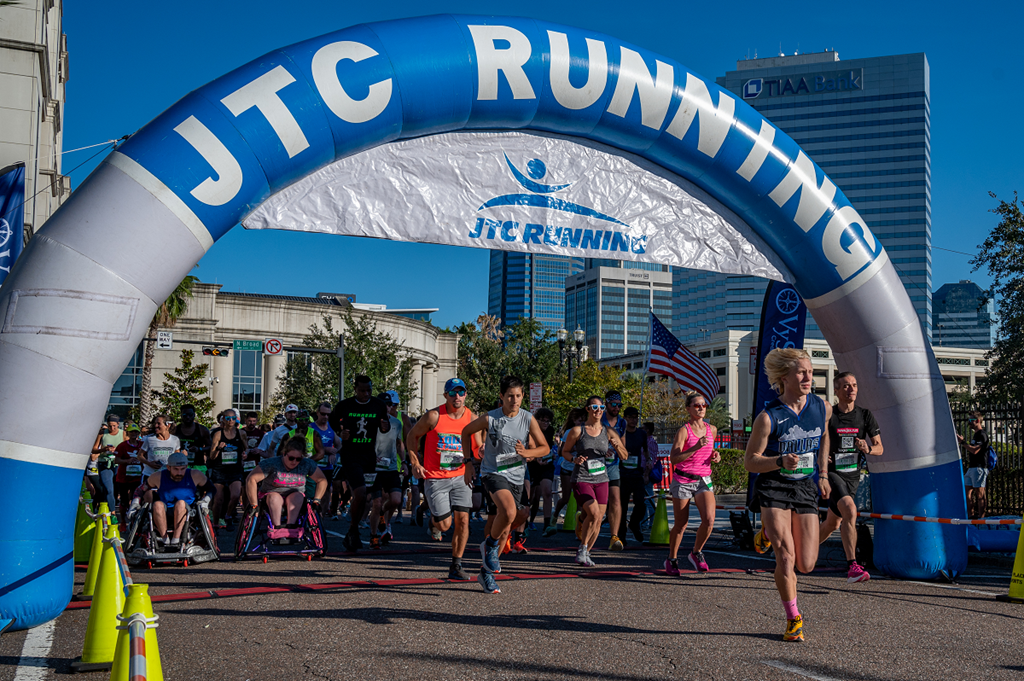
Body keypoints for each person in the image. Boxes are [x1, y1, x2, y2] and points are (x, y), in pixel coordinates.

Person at [744, 348, 831, 643]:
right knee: (785, 556)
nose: (808, 377)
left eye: (810, 372)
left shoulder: (822, 407)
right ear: (784, 378)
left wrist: (822, 473)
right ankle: (794, 618)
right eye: (801, 372)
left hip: (804, 486)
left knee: (806, 564)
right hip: (774, 485)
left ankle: (766, 533)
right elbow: (750, 462)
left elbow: (825, 435)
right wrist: (779, 461)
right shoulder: (768, 417)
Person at [461, 375, 551, 593]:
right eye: (510, 396)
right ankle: (490, 546)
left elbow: (545, 448)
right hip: (493, 473)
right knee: (508, 512)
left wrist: (527, 453)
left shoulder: (528, 418)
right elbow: (465, 432)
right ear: (501, 396)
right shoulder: (490, 418)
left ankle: (487, 573)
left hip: (517, 476)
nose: (514, 400)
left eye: (518, 396)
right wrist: (468, 463)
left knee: (516, 518)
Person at [406, 378, 482, 579]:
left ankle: (456, 565)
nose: (457, 396)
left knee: (463, 520)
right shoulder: (434, 416)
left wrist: (481, 453)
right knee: (445, 525)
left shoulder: (473, 419)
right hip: (435, 477)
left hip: (461, 475)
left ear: (465, 394)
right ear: (445, 395)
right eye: (453, 392)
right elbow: (412, 436)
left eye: (461, 392)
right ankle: (434, 522)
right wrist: (415, 462)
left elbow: (477, 450)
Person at [816, 372, 883, 583]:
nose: (851, 389)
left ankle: (800, 551)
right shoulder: (830, 415)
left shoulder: (864, 415)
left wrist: (867, 448)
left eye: (854, 385)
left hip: (852, 476)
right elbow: (816, 440)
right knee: (850, 510)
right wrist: (821, 454)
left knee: (832, 524)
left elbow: (880, 448)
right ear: (836, 390)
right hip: (832, 473)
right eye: (845, 386)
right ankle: (853, 566)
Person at [561, 395, 629, 568]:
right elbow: (565, 452)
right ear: (588, 409)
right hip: (582, 477)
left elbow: (625, 456)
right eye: (594, 407)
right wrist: (574, 459)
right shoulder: (578, 431)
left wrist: (616, 446)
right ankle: (583, 548)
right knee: (594, 513)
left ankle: (585, 551)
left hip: (602, 479)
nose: (598, 411)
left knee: (598, 519)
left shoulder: (608, 431)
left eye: (601, 408)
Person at [328, 375, 392, 552]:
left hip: (369, 456)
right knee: (361, 492)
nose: (366, 394)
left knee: (376, 498)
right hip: (351, 456)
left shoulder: (378, 405)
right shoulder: (345, 405)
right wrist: (340, 433)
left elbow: (384, 425)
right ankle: (353, 530)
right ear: (355, 389)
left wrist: (385, 427)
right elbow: (332, 421)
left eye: (369, 390)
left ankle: (361, 530)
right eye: (362, 390)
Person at [664, 392, 721, 575]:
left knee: (709, 520)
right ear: (688, 409)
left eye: (704, 405)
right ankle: (672, 559)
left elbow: (710, 451)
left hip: (703, 479)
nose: (701, 408)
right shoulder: (684, 431)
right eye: (696, 405)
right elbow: (674, 458)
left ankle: (696, 553)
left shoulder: (712, 429)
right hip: (683, 480)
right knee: (681, 524)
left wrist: (716, 455)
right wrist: (695, 447)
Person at [246, 436, 328, 535]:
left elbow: (322, 480)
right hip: (271, 494)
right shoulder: (272, 463)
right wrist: (254, 504)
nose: (294, 462)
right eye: (291, 458)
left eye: (298, 459)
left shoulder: (306, 464)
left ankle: (290, 527)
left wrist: (317, 500)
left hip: (295, 495)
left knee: (298, 495)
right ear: (284, 454)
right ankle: (277, 527)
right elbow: (251, 479)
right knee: (274, 497)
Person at [134, 451, 215, 550]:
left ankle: (176, 540)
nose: (179, 473)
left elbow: (212, 489)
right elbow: (140, 490)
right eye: (176, 469)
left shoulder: (195, 475)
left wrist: (205, 501)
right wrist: (135, 504)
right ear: (168, 467)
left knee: (180, 503)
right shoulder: (158, 476)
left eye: (182, 469)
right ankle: (165, 539)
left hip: (188, 512)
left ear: (186, 466)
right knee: (157, 504)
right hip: (164, 510)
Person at [368, 392, 405, 548]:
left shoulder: (396, 423)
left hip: (391, 467)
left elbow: (399, 443)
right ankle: (374, 535)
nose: (388, 407)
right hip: (375, 468)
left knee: (396, 500)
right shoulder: (370, 422)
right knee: (376, 503)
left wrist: (404, 462)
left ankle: (384, 518)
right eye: (384, 404)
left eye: (390, 405)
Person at [208, 408, 248, 530]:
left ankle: (228, 516)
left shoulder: (241, 433)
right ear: (223, 420)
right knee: (218, 500)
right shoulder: (218, 434)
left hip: (235, 470)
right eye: (228, 418)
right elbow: (212, 456)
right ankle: (215, 523)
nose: (231, 420)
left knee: (235, 496)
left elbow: (246, 449)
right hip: (220, 470)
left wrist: (245, 454)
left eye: (233, 418)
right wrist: (218, 448)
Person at [618, 407, 651, 545]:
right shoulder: (620, 433)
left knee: (641, 503)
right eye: (631, 417)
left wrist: (648, 462)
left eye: (636, 417)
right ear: (624, 418)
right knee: (622, 506)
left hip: (637, 473)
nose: (634, 420)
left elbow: (646, 450)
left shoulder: (641, 434)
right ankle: (621, 536)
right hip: (622, 473)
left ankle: (634, 523)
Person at [550, 408, 585, 534]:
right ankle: (554, 516)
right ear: (574, 420)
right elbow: (561, 451)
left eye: (583, 421)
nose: (581, 423)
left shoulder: (587, 432)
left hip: (581, 469)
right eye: (579, 420)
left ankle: (579, 526)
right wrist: (574, 448)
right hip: (567, 468)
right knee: (565, 498)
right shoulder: (569, 432)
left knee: (580, 499)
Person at [602, 391, 628, 550]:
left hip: (613, 465)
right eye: (613, 404)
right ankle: (582, 520)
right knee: (598, 503)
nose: (616, 408)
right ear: (606, 404)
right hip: (596, 466)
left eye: (619, 405)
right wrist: (602, 449)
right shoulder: (598, 418)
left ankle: (614, 536)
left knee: (615, 500)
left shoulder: (622, 423)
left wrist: (619, 448)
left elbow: (623, 446)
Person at [528, 408, 557, 535]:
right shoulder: (531, 431)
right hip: (533, 465)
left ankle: (547, 525)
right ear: (537, 420)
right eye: (543, 421)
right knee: (531, 497)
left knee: (547, 492)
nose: (546, 423)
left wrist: (552, 455)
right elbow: (528, 448)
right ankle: (525, 522)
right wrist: (536, 459)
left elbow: (550, 447)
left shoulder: (550, 431)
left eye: (548, 421)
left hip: (547, 465)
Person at [311, 402, 343, 517]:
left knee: (326, 491)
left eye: (328, 414)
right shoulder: (311, 427)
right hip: (314, 466)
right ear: (317, 413)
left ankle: (321, 517)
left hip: (327, 466)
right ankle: (311, 516)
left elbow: (339, 444)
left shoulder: (330, 427)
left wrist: (334, 452)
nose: (325, 417)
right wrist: (324, 450)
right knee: (313, 492)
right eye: (323, 414)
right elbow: (307, 446)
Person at [90, 415, 127, 513]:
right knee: (108, 489)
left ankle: (119, 508)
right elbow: (94, 450)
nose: (112, 428)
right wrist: (103, 449)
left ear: (118, 424)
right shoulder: (102, 433)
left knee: (118, 489)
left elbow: (127, 449)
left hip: (118, 464)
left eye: (114, 426)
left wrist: (117, 451)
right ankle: (112, 512)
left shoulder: (123, 434)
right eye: (110, 426)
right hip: (105, 463)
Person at [959, 411, 990, 519]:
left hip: (979, 467)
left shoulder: (982, 435)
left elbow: (974, 450)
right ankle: (970, 517)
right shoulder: (976, 435)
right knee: (967, 492)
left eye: (971, 420)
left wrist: (962, 442)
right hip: (972, 467)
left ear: (977, 421)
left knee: (980, 494)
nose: (969, 422)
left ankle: (981, 519)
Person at [113, 424, 145, 523]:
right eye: (131, 432)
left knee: (136, 499)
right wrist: (127, 461)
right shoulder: (122, 446)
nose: (133, 434)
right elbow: (116, 460)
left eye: (135, 432)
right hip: (124, 477)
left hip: (137, 477)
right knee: (124, 501)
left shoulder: (143, 445)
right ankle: (123, 521)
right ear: (127, 433)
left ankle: (134, 522)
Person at [174, 405, 212, 473]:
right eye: (185, 415)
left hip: (198, 466)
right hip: (180, 466)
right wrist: (178, 452)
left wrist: (199, 449)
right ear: (181, 415)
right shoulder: (175, 430)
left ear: (194, 415)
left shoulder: (202, 430)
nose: (188, 417)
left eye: (190, 414)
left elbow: (210, 447)